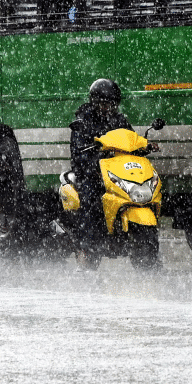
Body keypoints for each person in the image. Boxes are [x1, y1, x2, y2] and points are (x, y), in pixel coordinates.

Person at [69, 78, 132, 265]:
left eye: (112, 104)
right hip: (90, 172)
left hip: (116, 173)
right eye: (104, 103)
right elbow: (78, 153)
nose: (108, 107)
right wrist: (95, 166)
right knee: (90, 200)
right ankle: (87, 248)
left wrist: (145, 145)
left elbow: (131, 138)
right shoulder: (83, 122)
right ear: (95, 102)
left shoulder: (119, 120)